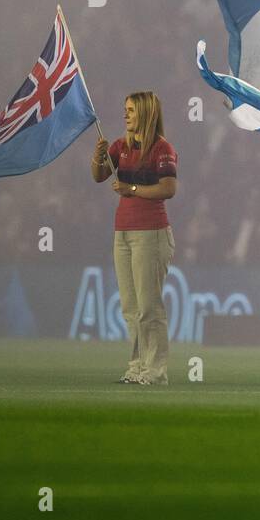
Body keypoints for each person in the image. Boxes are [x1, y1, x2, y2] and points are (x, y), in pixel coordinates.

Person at [91, 91, 178, 385]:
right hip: (123, 233)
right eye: (124, 109)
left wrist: (133, 190)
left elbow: (168, 189)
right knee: (130, 307)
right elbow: (99, 175)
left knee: (149, 307)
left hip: (151, 233)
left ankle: (155, 372)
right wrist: (99, 156)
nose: (125, 114)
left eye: (131, 110)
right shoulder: (120, 146)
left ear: (145, 113)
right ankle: (137, 368)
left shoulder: (161, 149)